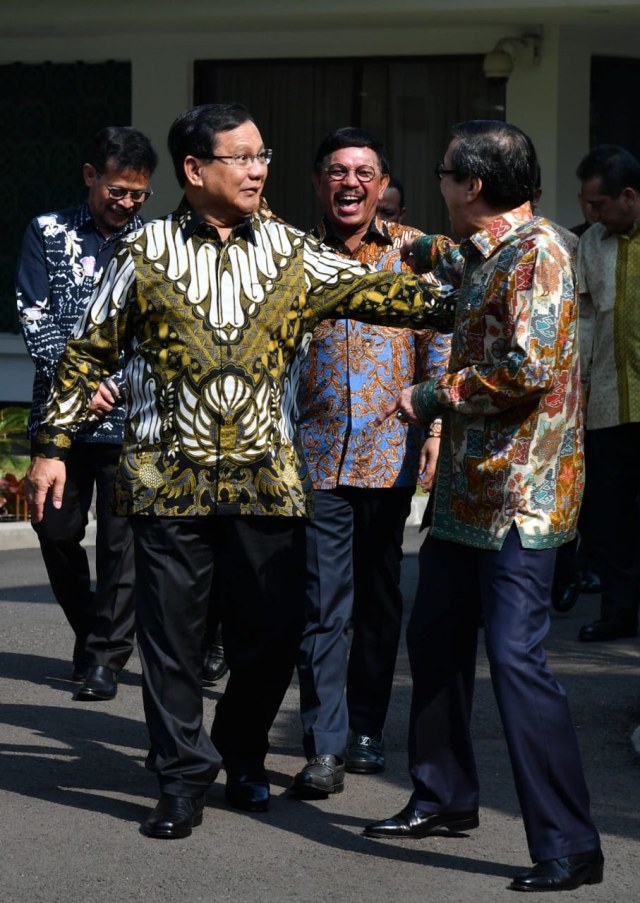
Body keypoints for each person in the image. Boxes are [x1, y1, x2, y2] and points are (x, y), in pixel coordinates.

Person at [23, 103, 455, 840]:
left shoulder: (293, 251)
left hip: (267, 479)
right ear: (195, 170)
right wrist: (51, 445)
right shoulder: (143, 250)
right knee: (172, 641)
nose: (259, 169)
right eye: (242, 156)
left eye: (264, 155)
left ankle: (241, 751)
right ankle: (182, 778)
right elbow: (89, 352)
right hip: (167, 478)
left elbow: (405, 300)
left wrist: (470, 266)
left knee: (275, 632)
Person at [363, 120, 603, 893]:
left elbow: (525, 367)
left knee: (516, 659)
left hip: (522, 499)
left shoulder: (539, 254)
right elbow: (448, 263)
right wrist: (384, 230)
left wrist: (428, 395)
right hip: (468, 493)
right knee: (433, 639)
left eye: (443, 174)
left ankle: (570, 842)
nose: (439, 185)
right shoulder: (490, 249)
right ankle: (443, 795)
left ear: (471, 186)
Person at [291, 128, 450, 798]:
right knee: (324, 604)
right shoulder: (292, 258)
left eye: (364, 171)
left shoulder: (414, 252)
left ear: (382, 184)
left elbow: (439, 338)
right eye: (336, 170)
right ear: (318, 182)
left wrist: (438, 425)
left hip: (392, 454)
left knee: (381, 601)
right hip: (317, 455)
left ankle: (364, 728)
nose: (350, 182)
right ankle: (322, 746)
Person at [16, 126, 158, 701]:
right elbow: (34, 316)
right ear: (89, 177)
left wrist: (118, 385)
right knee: (54, 532)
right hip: (61, 423)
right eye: (117, 190)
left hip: (134, 423)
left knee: (123, 544)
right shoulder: (46, 232)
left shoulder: (159, 242)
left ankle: (103, 658)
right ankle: (93, 632)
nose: (126, 203)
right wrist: (86, 383)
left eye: (138, 194)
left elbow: (161, 333)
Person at [573, 145, 640, 642]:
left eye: (598, 205)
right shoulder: (590, 245)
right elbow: (585, 320)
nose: (590, 215)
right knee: (613, 518)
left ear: (630, 196)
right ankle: (618, 615)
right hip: (608, 403)